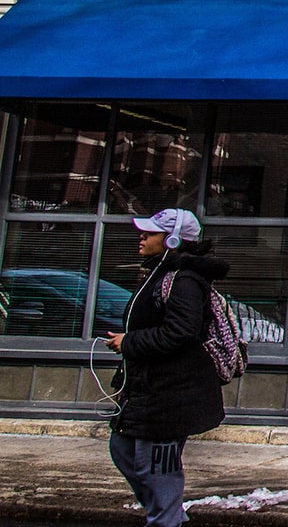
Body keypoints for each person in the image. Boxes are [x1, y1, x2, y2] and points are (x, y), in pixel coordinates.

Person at [105, 209, 227, 527]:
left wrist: (128, 343)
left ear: (172, 240)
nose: (142, 238)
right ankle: (169, 515)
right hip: (148, 388)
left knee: (159, 466)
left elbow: (180, 332)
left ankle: (166, 520)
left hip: (172, 394)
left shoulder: (183, 280)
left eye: (150, 233)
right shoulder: (159, 275)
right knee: (123, 449)